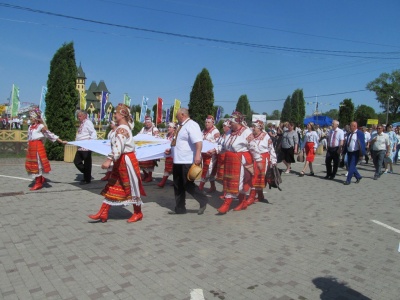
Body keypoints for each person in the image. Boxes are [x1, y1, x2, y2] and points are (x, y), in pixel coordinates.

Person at [88, 104, 146, 223]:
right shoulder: (123, 127)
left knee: (130, 186)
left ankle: (138, 213)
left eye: (116, 113)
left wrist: (109, 160)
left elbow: (118, 147)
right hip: (122, 160)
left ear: (122, 114)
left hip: (126, 160)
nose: (114, 115)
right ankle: (103, 212)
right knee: (113, 185)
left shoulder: (122, 129)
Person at [216, 111, 262, 214]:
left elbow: (253, 146)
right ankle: (243, 202)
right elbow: (223, 146)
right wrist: (215, 150)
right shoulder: (228, 132)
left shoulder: (246, 132)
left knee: (238, 182)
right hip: (229, 160)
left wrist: (258, 160)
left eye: (231, 122)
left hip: (239, 160)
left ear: (237, 122)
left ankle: (226, 204)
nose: (229, 124)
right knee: (229, 181)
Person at [165, 108, 208, 215]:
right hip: (178, 160)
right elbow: (179, 142)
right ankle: (180, 208)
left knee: (187, 184)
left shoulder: (191, 125)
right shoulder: (180, 126)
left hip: (187, 160)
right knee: (178, 185)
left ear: (183, 115)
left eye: (177, 115)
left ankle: (203, 199)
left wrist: (197, 155)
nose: (176, 117)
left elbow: (198, 142)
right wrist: (170, 150)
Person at [25, 108, 66, 190]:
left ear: (36, 118)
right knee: (33, 164)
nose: (30, 119)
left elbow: (49, 134)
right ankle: (40, 179)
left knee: (38, 164)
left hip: (38, 146)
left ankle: (38, 183)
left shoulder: (40, 126)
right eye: (30, 117)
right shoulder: (30, 127)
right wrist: (27, 146)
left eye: (32, 117)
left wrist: (60, 141)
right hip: (32, 147)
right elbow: (29, 137)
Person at [247, 120, 277, 204]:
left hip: (263, 159)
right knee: (255, 177)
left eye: (254, 127)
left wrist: (273, 160)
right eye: (252, 127)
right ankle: (260, 196)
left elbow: (271, 148)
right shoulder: (251, 136)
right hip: (253, 158)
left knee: (256, 177)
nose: (253, 128)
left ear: (260, 128)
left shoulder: (266, 136)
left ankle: (251, 196)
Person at [73, 111, 97, 185]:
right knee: (76, 161)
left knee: (87, 162)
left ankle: (87, 178)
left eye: (80, 116)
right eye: (78, 116)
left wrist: (91, 142)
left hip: (86, 145)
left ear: (84, 116)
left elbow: (93, 132)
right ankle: (87, 173)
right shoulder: (82, 123)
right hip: (81, 145)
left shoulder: (88, 122)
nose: (78, 118)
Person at [198, 115, 220, 192]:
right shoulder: (203, 131)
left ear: (212, 123)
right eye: (206, 122)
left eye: (208, 122)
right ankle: (213, 187)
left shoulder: (215, 131)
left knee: (207, 170)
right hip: (204, 154)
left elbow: (218, 143)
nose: (206, 124)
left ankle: (200, 187)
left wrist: (212, 149)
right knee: (209, 171)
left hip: (211, 155)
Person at [138, 116, 160, 182]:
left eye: (148, 122)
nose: (147, 124)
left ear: (151, 122)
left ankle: (149, 176)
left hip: (151, 149)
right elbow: (139, 135)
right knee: (140, 162)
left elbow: (157, 138)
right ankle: (145, 175)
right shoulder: (143, 129)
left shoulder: (154, 129)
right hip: (143, 149)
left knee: (150, 164)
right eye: (146, 122)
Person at [157, 122, 176, 188]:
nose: (168, 128)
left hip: (174, 155)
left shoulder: (175, 136)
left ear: (174, 129)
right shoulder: (167, 135)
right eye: (168, 127)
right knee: (168, 168)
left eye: (170, 127)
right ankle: (165, 182)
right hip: (168, 154)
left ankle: (164, 182)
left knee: (173, 169)